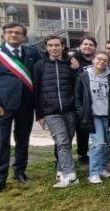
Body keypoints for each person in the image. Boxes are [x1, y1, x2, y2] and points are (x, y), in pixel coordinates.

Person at [0, 22, 41, 196]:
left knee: (22, 140)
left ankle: (20, 172)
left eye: (17, 33)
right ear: (4, 34)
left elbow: (48, 58)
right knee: (1, 143)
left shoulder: (31, 52)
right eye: (10, 32)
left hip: (25, 105)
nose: (13, 35)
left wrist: (72, 56)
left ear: (23, 37)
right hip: (2, 106)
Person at [33, 35, 79, 188]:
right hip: (51, 111)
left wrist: (75, 65)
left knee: (66, 143)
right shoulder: (40, 66)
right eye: (50, 45)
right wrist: (39, 114)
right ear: (46, 47)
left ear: (63, 46)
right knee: (62, 142)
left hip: (70, 110)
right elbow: (36, 91)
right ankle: (70, 175)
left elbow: (76, 85)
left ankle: (60, 170)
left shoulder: (69, 64)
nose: (54, 48)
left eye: (57, 45)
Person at [75, 51, 110, 184]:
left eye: (105, 60)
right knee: (98, 144)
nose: (102, 62)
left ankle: (102, 168)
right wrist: (82, 113)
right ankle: (93, 173)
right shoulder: (83, 76)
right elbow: (77, 98)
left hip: (109, 115)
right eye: (99, 59)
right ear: (93, 59)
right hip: (93, 116)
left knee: (109, 145)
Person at [68, 36, 97, 164]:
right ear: (80, 46)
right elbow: (59, 52)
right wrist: (70, 56)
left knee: (88, 128)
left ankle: (91, 152)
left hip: (94, 98)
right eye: (85, 44)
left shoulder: (96, 60)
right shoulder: (73, 58)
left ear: (94, 47)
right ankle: (80, 154)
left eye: (91, 44)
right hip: (77, 98)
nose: (87, 46)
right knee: (80, 128)